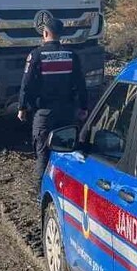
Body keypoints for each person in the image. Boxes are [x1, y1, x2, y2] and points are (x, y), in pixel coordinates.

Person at [18, 15, 89, 181]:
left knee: (43, 153)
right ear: (61, 34)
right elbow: (81, 84)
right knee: (65, 152)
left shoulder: (37, 55)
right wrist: (83, 108)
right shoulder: (71, 55)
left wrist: (22, 107)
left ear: (45, 33)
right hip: (67, 112)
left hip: (44, 113)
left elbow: (26, 84)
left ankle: (41, 190)